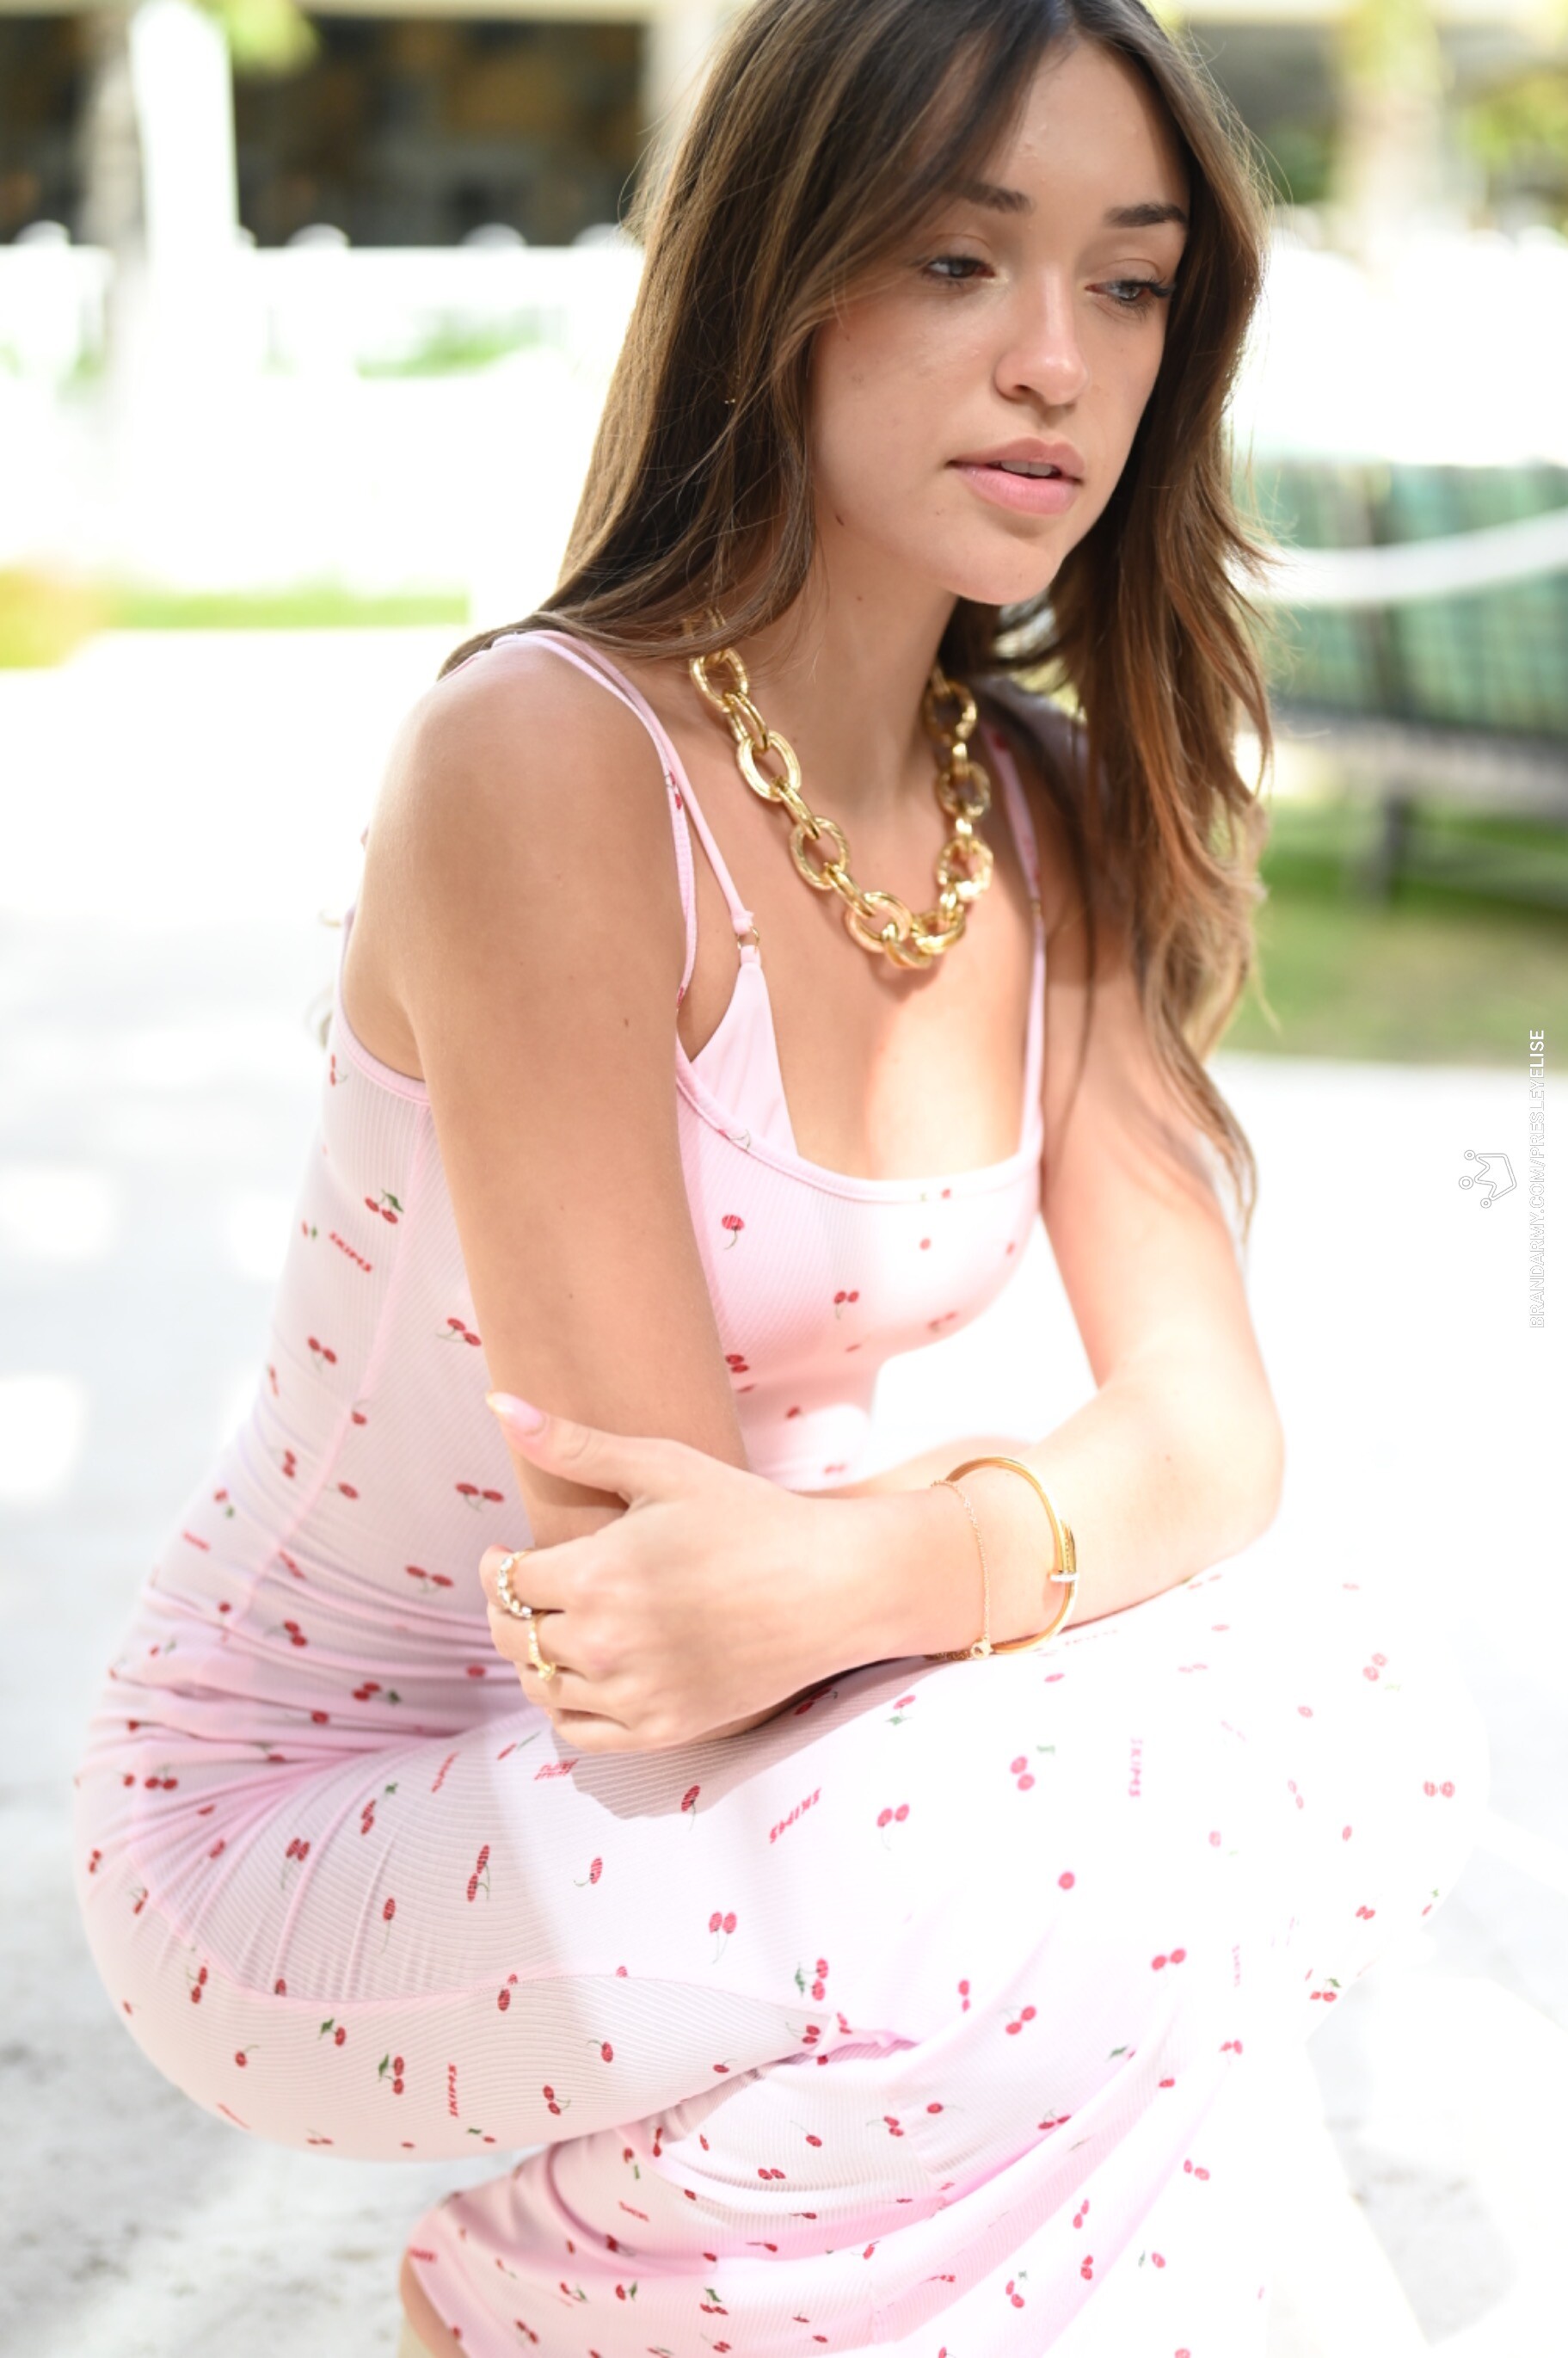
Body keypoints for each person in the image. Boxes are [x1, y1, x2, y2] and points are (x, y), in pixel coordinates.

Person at [71, 3, 1488, 2352]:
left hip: (793, 1714)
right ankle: (529, 2302)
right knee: (1067, 1890)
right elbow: (647, 1614)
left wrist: (905, 1555)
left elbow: (1213, 1436)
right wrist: (1000, 1554)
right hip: (341, 1819)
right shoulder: (545, 760)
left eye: (1130, 283)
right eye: (957, 259)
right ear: (779, 276)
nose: (1055, 362)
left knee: (1358, 1720)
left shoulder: (1049, 805)